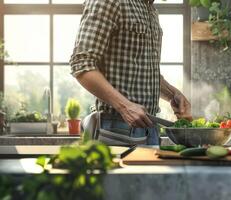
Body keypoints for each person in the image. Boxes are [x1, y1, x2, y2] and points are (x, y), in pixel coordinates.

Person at [69, 0, 192, 145]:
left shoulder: (149, 8)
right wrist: (125, 106)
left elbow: (142, 70)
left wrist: (172, 93)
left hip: (151, 129)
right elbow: (81, 63)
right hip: (116, 128)